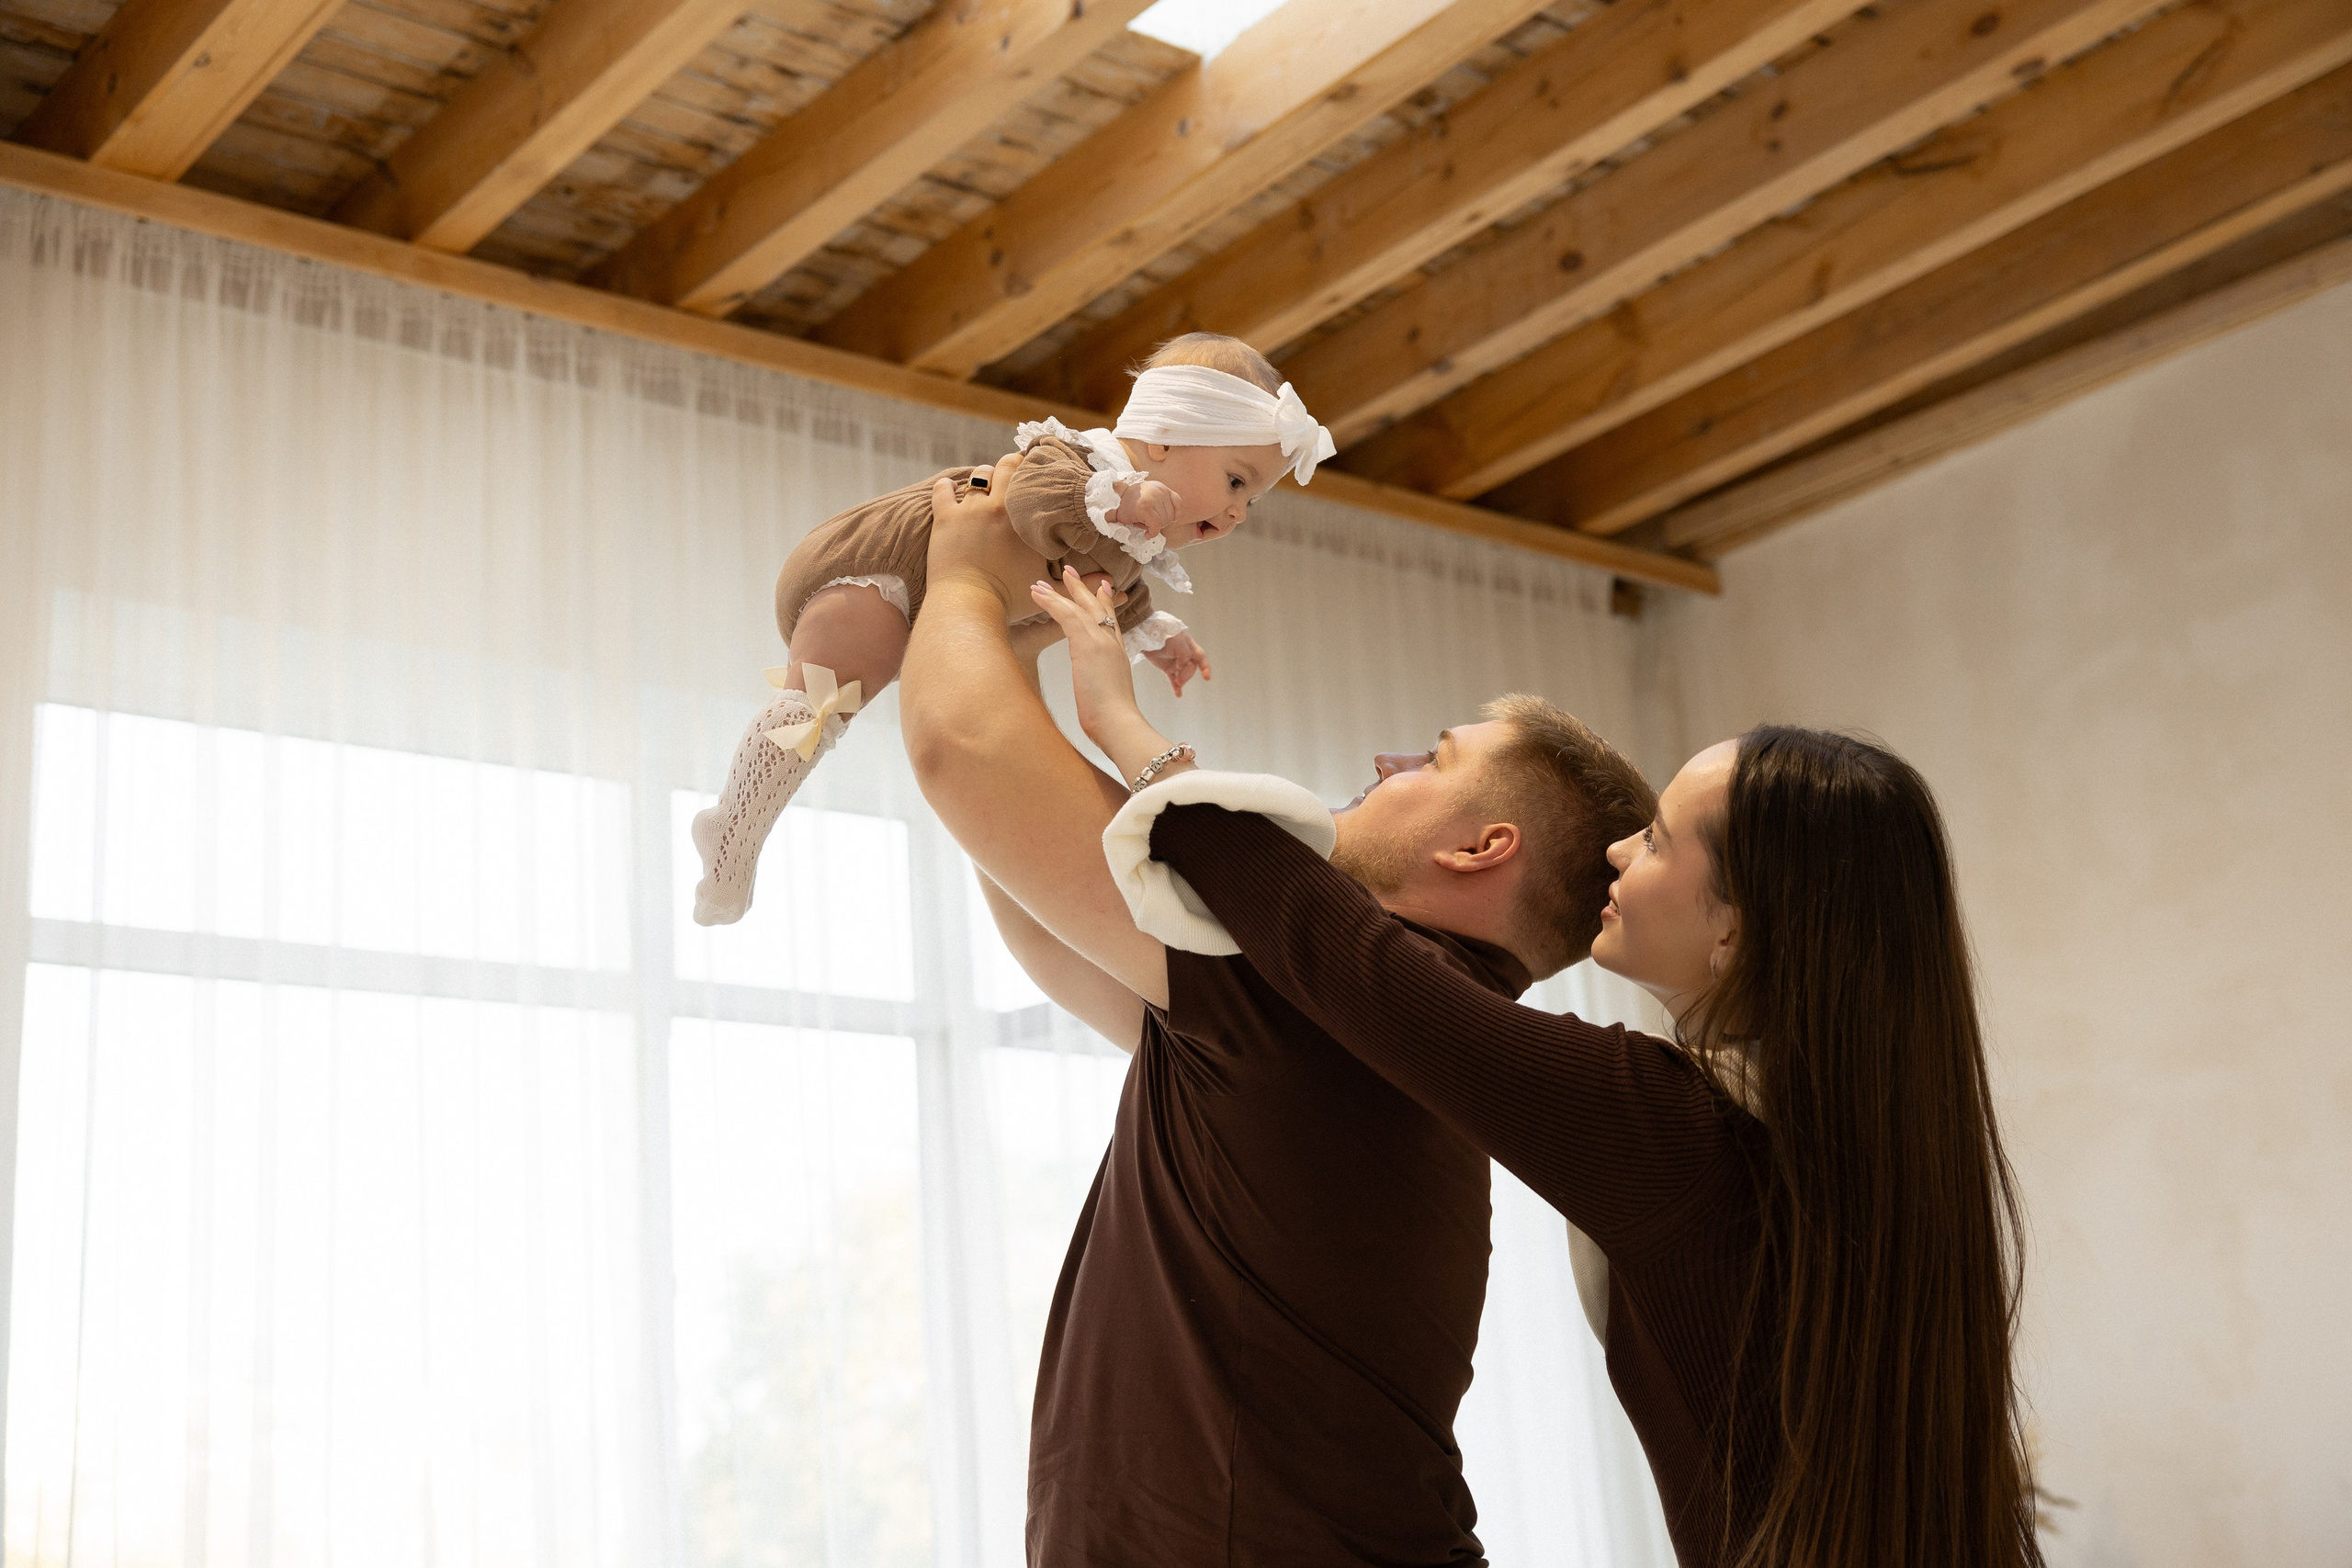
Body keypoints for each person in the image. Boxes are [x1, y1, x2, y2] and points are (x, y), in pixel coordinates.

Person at [1028, 568, 2045, 1568]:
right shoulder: (1849, 1149)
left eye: (1653, 841)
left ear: (1732, 931)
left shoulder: (1675, 1136)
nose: (1615, 856)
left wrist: (1128, 730)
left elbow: (1343, 958)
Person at [898, 457, 1656, 1564]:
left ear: (1480, 847)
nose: (1387, 763)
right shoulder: (1356, 1015)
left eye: (1432, 760)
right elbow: (1043, 908)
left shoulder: (1322, 1000)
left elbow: (958, 752)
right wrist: (1015, 643)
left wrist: (961, 573)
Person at [687, 332, 1336, 924]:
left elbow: (1112, 592)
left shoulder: (1129, 545)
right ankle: (735, 824)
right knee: (819, 702)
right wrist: (1124, 499)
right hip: (880, 566)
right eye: (1234, 481)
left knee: (848, 702)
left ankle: (738, 825)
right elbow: (1034, 504)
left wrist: (1157, 636)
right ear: (1161, 437)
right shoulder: (1082, 463)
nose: (1237, 511)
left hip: (932, 610)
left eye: (1250, 499)